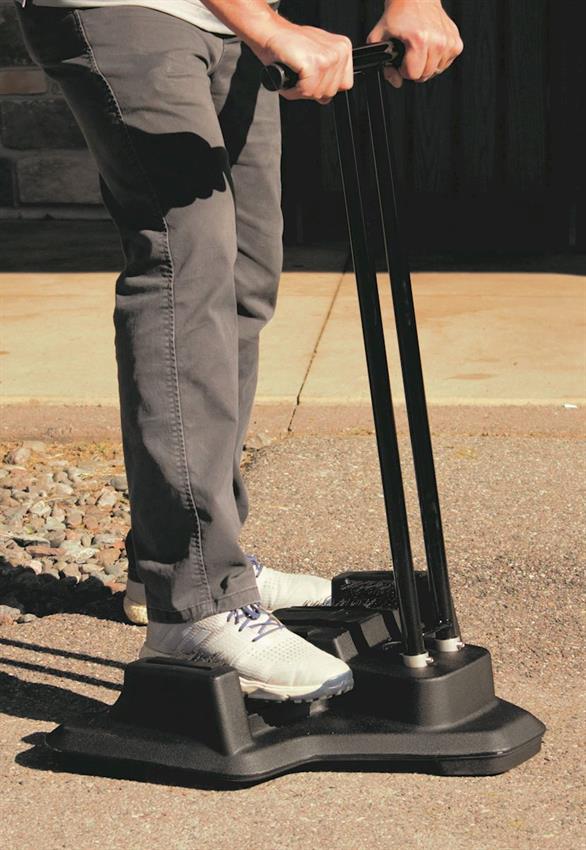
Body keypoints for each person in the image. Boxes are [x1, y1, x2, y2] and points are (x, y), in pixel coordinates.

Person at [16, 0, 462, 702]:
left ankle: (188, 563)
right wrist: (271, 30)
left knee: (243, 280)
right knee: (184, 267)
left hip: (233, 23)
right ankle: (194, 601)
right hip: (134, 10)